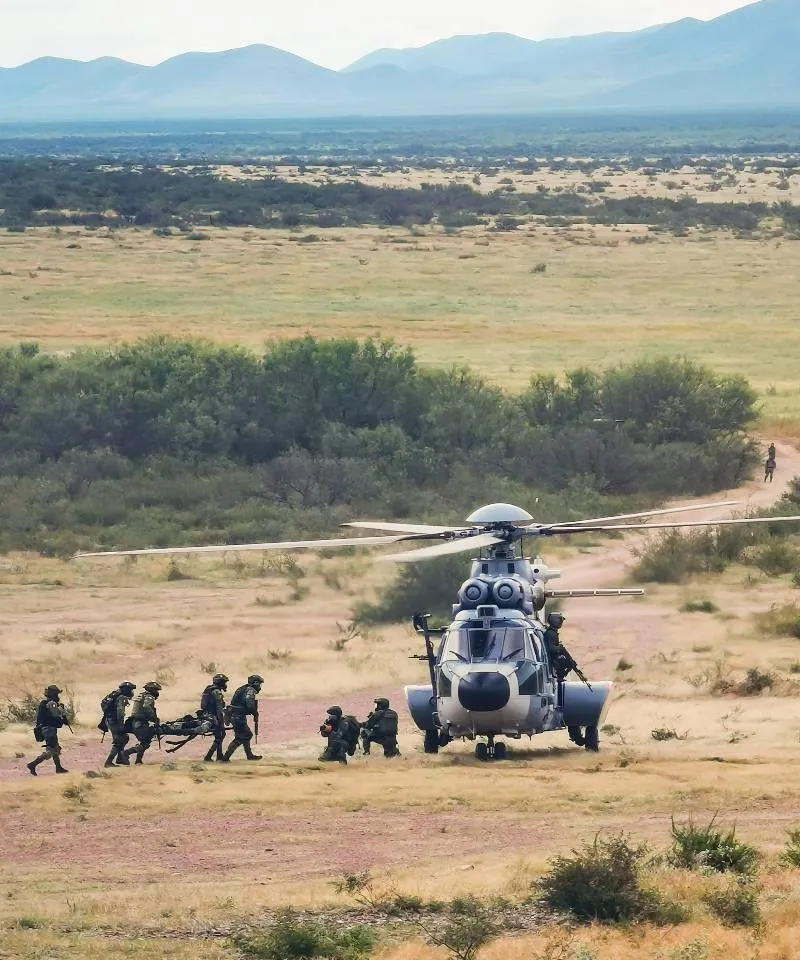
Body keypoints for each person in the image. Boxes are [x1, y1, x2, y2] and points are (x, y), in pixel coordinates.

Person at [27, 684, 70, 776]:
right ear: (53, 694)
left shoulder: (44, 703)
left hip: (45, 728)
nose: (58, 696)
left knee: (56, 747)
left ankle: (58, 767)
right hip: (49, 729)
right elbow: (55, 716)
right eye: (56, 694)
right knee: (50, 750)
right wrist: (62, 714)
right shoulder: (51, 704)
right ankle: (33, 764)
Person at [222, 675, 263, 761]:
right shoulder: (251, 690)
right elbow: (249, 702)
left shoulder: (244, 688)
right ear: (255, 683)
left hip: (235, 715)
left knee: (246, 735)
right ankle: (226, 758)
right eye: (259, 684)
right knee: (242, 737)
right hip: (237, 716)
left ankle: (249, 755)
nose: (260, 686)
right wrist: (254, 712)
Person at [122, 681, 162, 765]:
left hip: (135, 722)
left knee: (144, 741)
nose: (157, 693)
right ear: (153, 690)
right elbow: (146, 707)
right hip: (140, 723)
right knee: (145, 743)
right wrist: (153, 717)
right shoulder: (149, 697)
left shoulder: (141, 695)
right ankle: (127, 753)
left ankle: (138, 760)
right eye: (156, 690)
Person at [100, 681, 136, 767]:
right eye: (131, 690)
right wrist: (121, 726)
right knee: (120, 739)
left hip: (109, 719)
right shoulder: (121, 697)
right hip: (114, 721)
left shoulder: (114, 694)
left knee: (123, 738)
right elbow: (120, 713)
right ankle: (108, 762)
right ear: (127, 690)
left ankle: (120, 758)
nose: (132, 692)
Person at [200, 673, 229, 762]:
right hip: (213, 716)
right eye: (224, 682)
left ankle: (219, 755)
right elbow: (219, 709)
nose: (225, 684)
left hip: (206, 714)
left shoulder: (209, 689)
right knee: (221, 734)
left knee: (219, 735)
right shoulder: (217, 692)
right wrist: (221, 721)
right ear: (220, 683)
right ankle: (209, 756)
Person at [542, 612, 578, 682]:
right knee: (567, 663)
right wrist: (560, 648)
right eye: (560, 620)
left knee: (571, 663)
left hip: (553, 658)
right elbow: (552, 649)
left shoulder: (552, 632)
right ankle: (560, 677)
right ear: (556, 621)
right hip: (552, 659)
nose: (561, 622)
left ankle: (561, 676)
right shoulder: (551, 633)